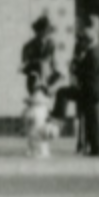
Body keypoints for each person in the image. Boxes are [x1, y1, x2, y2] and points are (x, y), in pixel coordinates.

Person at [20, 14, 64, 157]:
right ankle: (33, 146)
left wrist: (54, 79)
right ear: (37, 32)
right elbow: (23, 66)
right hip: (34, 81)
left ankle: (42, 145)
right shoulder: (28, 46)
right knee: (36, 113)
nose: (45, 35)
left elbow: (55, 63)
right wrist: (34, 68)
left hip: (48, 81)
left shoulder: (51, 45)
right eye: (43, 32)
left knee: (44, 113)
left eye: (47, 32)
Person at [71, 14, 99, 157]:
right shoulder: (82, 43)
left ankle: (97, 146)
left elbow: (97, 66)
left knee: (96, 116)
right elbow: (75, 62)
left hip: (95, 85)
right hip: (88, 84)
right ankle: (86, 144)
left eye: (97, 25)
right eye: (94, 25)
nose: (98, 28)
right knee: (87, 116)